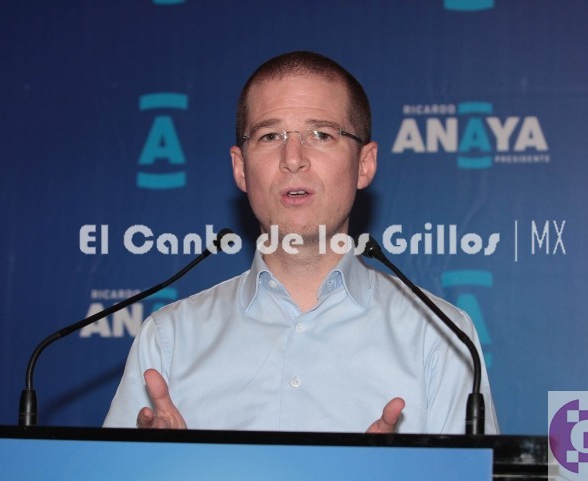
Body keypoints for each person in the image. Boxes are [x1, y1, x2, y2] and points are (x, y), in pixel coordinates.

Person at [103, 51, 498, 434]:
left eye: (321, 134)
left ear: (365, 164)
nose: (293, 158)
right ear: (240, 168)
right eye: (270, 135)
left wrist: (394, 469)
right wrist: (165, 462)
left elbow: (477, 470)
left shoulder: (442, 335)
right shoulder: (169, 339)